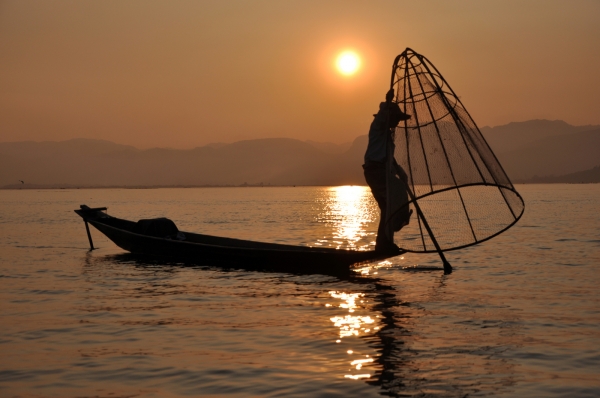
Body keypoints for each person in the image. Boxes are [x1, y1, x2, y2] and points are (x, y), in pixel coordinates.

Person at [363, 89, 411, 252]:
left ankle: (383, 243)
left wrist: (399, 171)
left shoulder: (388, 136)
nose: (397, 122)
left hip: (381, 171)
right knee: (394, 195)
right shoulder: (378, 126)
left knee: (386, 207)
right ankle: (386, 242)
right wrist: (387, 100)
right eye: (396, 119)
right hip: (375, 171)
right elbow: (383, 117)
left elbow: (390, 158)